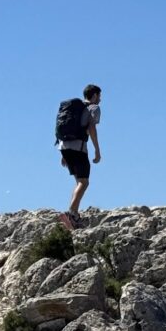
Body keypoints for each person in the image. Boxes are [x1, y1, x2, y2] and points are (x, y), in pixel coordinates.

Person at [56, 84, 102, 228]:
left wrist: (64, 155)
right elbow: (91, 128)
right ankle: (72, 213)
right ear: (94, 95)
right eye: (99, 96)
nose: (100, 99)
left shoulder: (73, 108)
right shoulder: (93, 108)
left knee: (79, 182)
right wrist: (97, 150)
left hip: (64, 147)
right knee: (84, 182)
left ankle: (73, 215)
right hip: (78, 148)